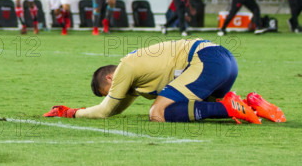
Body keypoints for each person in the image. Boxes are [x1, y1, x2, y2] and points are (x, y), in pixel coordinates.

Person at [43, 39, 285, 124]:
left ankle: (226, 107)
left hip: (205, 60)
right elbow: (112, 109)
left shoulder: (125, 67)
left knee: (157, 112)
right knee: (175, 106)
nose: (113, 93)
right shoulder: (135, 81)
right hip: (224, 61)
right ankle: (253, 106)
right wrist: (85, 111)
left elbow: (106, 109)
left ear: (110, 78)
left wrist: (71, 113)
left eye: (108, 90)